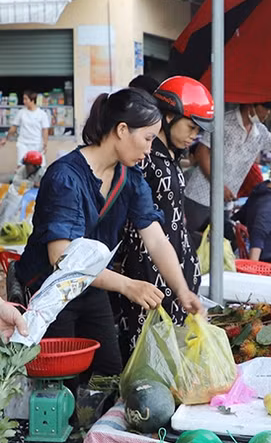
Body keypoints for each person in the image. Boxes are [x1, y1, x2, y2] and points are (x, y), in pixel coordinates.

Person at [13, 88, 205, 376]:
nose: (149, 149)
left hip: (93, 287)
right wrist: (127, 285)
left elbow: (155, 238)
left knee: (109, 374)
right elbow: (62, 259)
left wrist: (181, 290)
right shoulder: (65, 177)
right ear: (122, 130)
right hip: (50, 293)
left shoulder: (130, 177)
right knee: (59, 383)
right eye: (148, 139)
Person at [114, 77, 212, 361]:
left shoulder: (170, 155)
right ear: (169, 117)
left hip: (175, 270)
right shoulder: (142, 158)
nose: (194, 135)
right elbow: (147, 230)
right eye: (191, 126)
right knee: (149, 356)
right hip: (149, 273)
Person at [183, 102, 271, 246]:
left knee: (221, 247)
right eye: (265, 108)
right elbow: (201, 151)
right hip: (199, 197)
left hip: (224, 203)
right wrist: (219, 184)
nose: (268, 113)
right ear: (251, 106)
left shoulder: (260, 131)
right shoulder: (224, 122)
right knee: (190, 242)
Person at [0, 90, 51, 164]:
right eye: (23, 99)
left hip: (37, 144)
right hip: (23, 144)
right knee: (21, 166)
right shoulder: (21, 113)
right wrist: (6, 138)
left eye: (26, 99)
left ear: (32, 100)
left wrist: (45, 144)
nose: (24, 101)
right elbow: (14, 127)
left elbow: (45, 130)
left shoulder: (42, 114)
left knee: (39, 166)